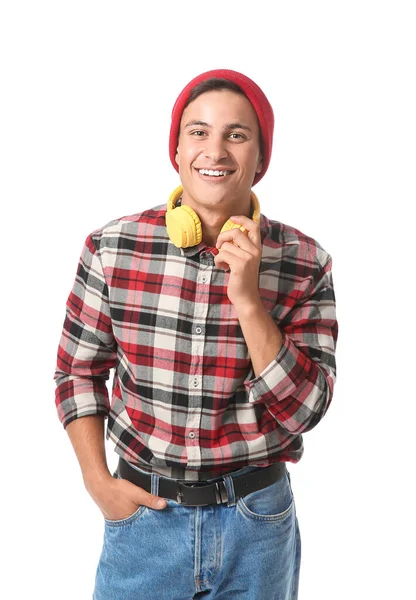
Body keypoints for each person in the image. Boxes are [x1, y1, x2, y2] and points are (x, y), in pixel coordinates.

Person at [54, 68, 338, 600]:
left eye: (237, 134)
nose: (216, 150)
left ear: (260, 158)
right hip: (143, 519)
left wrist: (249, 302)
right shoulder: (112, 248)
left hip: (257, 528)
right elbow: (77, 372)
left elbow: (304, 412)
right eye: (198, 132)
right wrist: (98, 482)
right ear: (178, 151)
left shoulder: (305, 263)